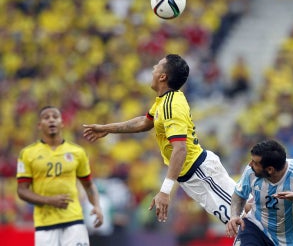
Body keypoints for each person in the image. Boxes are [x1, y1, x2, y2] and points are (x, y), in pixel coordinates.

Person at [83, 54, 236, 224]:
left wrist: (165, 191)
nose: (153, 69)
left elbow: (180, 149)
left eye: (156, 66)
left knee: (242, 216)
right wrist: (106, 128)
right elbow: (144, 122)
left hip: (201, 173)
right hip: (195, 175)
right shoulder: (164, 101)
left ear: (163, 76)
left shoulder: (171, 105)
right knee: (240, 218)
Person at [16, 106, 103, 246]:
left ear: (62, 123)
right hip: (45, 223)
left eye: (55, 117)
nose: (51, 120)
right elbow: (21, 190)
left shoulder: (77, 152)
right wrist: (49, 200)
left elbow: (88, 184)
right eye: (46, 117)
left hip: (74, 221)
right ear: (39, 125)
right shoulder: (27, 153)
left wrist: (97, 206)